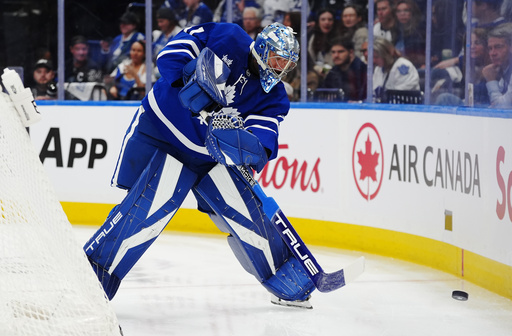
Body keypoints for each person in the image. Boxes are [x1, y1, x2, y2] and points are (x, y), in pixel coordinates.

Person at [82, 22, 315, 308]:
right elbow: (170, 55)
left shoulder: (275, 98)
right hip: (164, 133)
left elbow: (261, 143)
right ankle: (93, 275)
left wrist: (243, 145)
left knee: (248, 214)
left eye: (287, 64)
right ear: (263, 49)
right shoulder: (227, 37)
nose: (281, 68)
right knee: (150, 207)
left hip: (212, 155)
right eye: (278, 59)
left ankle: (282, 275)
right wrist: (190, 81)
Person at [372, 37, 420, 102]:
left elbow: (401, 97)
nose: (373, 60)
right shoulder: (378, 69)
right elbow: (374, 95)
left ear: (387, 55)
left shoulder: (403, 66)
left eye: (376, 57)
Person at [320, 37, 367, 102]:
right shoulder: (333, 72)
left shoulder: (362, 70)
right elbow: (323, 94)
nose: (336, 55)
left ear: (351, 52)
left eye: (340, 52)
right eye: (333, 52)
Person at [482, 22, 512, 108]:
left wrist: (491, 80)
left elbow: (501, 107)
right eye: (490, 48)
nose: (492, 53)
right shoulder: (504, 69)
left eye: (498, 47)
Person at [307, 9, 340, 77]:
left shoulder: (339, 38)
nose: (326, 22)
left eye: (330, 19)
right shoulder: (312, 37)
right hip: (316, 72)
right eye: (323, 19)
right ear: (318, 22)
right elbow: (310, 59)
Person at [394, 0, 426, 69]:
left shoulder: (419, 33)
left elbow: (421, 57)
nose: (402, 14)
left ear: (412, 12)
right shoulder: (395, 31)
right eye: (399, 11)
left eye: (406, 10)